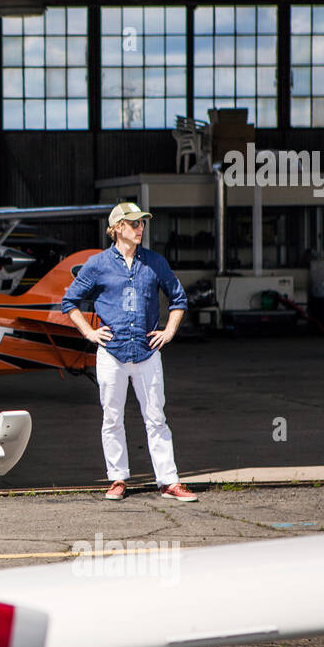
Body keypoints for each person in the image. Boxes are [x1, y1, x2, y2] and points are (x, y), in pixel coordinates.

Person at [60, 201, 199, 503]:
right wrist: (89, 332)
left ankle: (169, 481)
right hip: (111, 352)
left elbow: (178, 298)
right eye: (135, 223)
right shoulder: (97, 264)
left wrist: (169, 331)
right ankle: (117, 478)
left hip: (147, 351)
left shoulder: (154, 262)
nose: (141, 228)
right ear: (118, 228)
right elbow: (69, 302)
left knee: (156, 417)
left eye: (142, 223)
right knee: (112, 418)